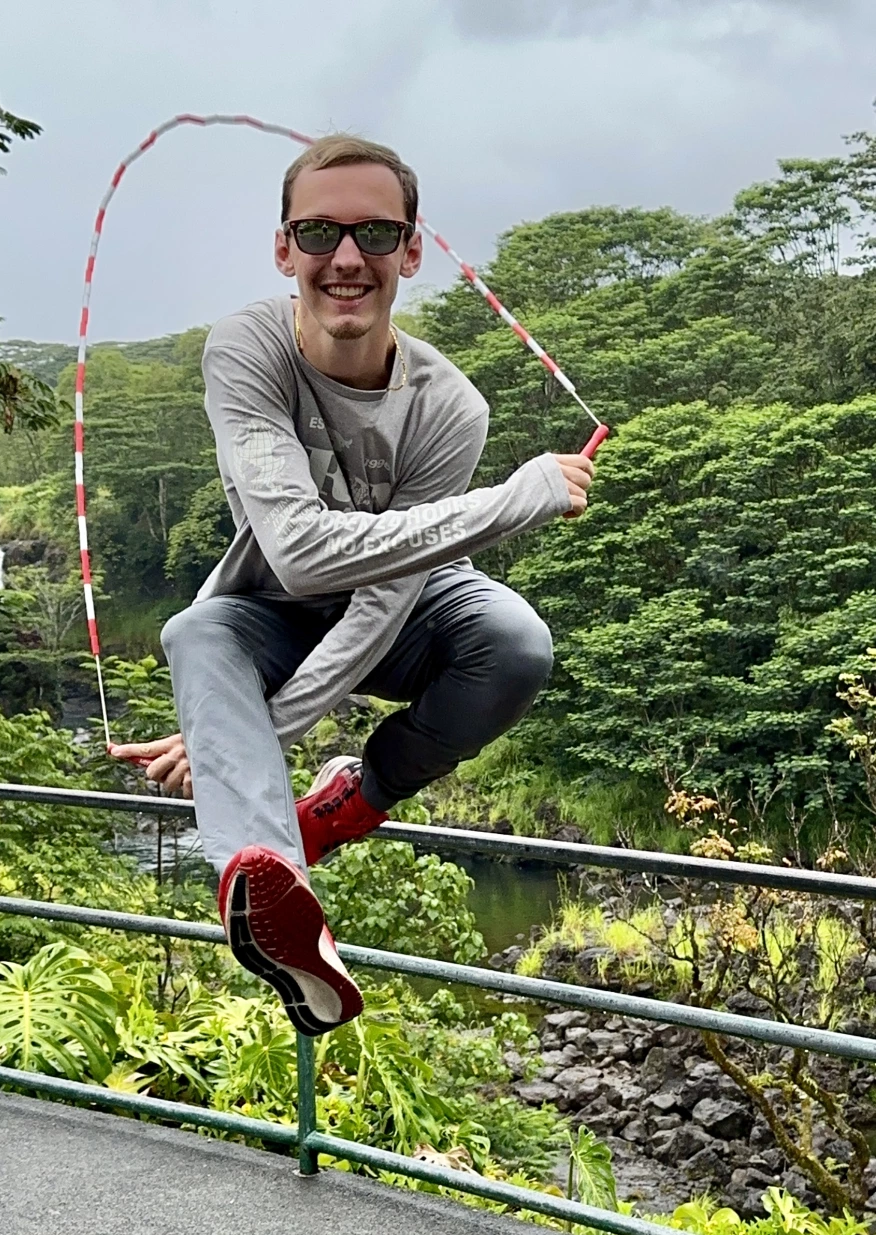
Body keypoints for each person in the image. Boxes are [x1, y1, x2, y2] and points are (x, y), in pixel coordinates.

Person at [110, 134, 594, 1036]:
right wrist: (507, 503)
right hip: (273, 605)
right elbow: (297, 555)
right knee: (196, 632)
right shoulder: (247, 350)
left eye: (374, 233)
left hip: (411, 603)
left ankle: (347, 804)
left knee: (517, 642)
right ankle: (272, 885)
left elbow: (381, 597)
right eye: (318, 231)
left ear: (412, 250)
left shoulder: (450, 407)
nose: (345, 258)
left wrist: (247, 731)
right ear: (283, 248)